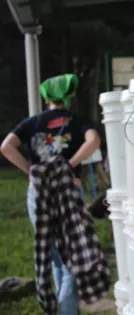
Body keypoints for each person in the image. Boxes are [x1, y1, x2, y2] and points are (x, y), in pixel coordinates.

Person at [0, 74, 101, 315]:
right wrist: (70, 164)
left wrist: (31, 171)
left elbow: (6, 146)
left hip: (39, 194)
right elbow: (94, 141)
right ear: (70, 97)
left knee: (57, 257)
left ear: (46, 97)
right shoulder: (78, 121)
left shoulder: (33, 122)